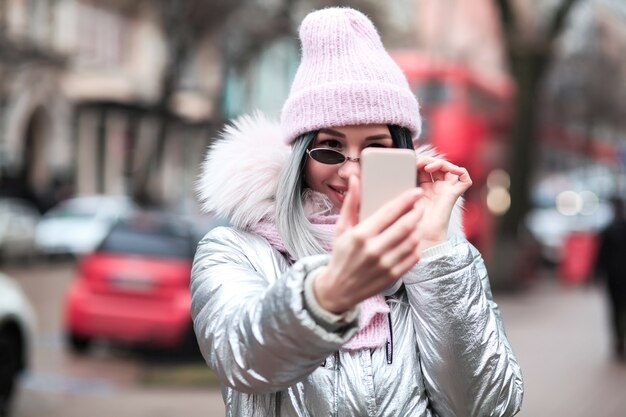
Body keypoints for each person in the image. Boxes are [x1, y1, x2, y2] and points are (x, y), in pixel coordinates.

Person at [191, 7, 523, 416]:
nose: (350, 170)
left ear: (402, 152)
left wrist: (434, 252)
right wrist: (329, 292)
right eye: (330, 147)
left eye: (375, 148)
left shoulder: (441, 258)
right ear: (300, 155)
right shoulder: (236, 250)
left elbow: (485, 407)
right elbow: (242, 360)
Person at [595, 196, 626, 362]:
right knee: (616, 310)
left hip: (615, 277)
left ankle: (619, 340)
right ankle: (619, 341)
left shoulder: (609, 229)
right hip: (615, 278)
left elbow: (601, 256)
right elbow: (602, 256)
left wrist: (598, 275)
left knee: (617, 310)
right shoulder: (609, 230)